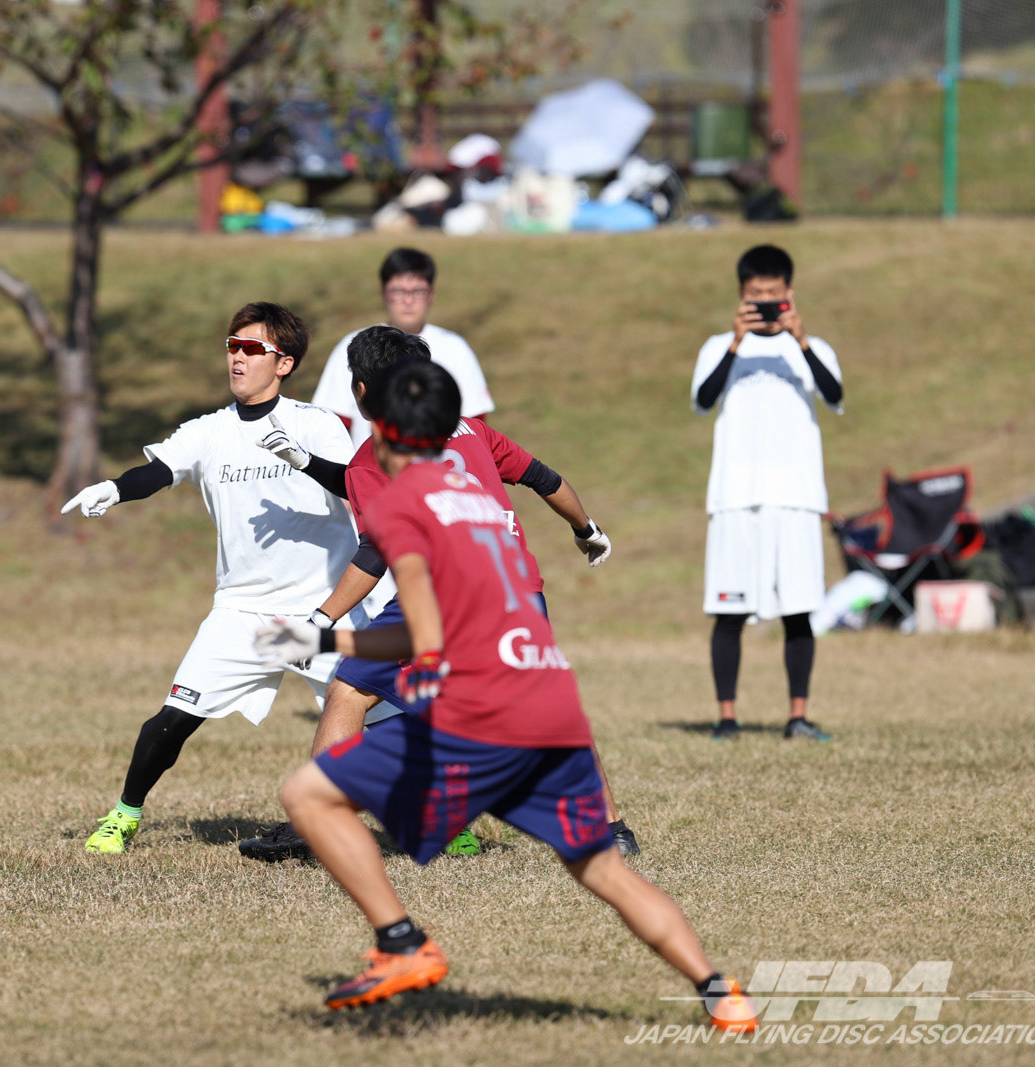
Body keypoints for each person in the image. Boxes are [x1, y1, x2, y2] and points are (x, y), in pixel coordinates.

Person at [252, 360, 757, 1030]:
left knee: (309, 795)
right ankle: (721, 992)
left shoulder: (407, 504)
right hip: (550, 707)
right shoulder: (485, 504)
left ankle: (401, 942)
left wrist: (320, 637)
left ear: (390, 433)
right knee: (604, 871)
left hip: (485, 714)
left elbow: (422, 633)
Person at [238, 325, 638, 862]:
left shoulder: (375, 455)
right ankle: (611, 830)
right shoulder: (471, 430)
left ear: (361, 392)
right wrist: (586, 529)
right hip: (515, 589)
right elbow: (545, 479)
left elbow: (376, 550)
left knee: (349, 693)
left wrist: (320, 619)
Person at [59, 302, 363, 854]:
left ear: (284, 364)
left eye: (252, 348)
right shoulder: (209, 430)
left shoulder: (316, 424)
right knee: (173, 718)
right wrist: (115, 488)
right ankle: (124, 816)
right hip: (242, 610)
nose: (237, 358)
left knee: (390, 720)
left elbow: (356, 486)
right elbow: (158, 470)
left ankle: (449, 821)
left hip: (325, 607)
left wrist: (303, 460)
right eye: (232, 346)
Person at [690, 245, 843, 743]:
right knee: (728, 609)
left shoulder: (812, 347)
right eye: (755, 294)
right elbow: (703, 400)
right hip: (735, 495)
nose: (765, 302)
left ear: (790, 292)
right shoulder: (719, 346)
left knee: (799, 609)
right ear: (741, 294)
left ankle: (798, 716)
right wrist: (737, 342)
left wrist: (801, 340)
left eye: (773, 293)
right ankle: (726, 718)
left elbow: (835, 395)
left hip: (796, 495)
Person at [310, 247, 493, 446]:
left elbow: (474, 422)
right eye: (398, 291)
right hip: (370, 461)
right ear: (383, 293)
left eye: (418, 291)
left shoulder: (455, 348)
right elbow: (333, 421)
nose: (408, 300)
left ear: (431, 294)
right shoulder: (356, 344)